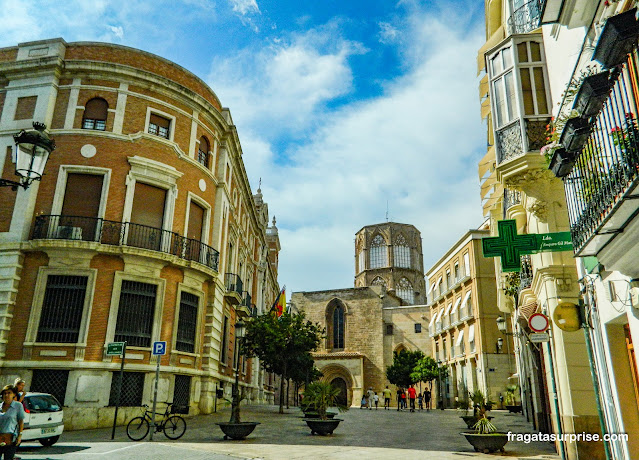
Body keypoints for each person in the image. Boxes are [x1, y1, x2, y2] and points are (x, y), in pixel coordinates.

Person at [0, 385, 24, 460]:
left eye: (9, 393)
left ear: (14, 394)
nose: (6, 395)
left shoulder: (18, 406)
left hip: (11, 438)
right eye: (5, 393)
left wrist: (20, 436)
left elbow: (21, 421)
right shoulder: (0, 406)